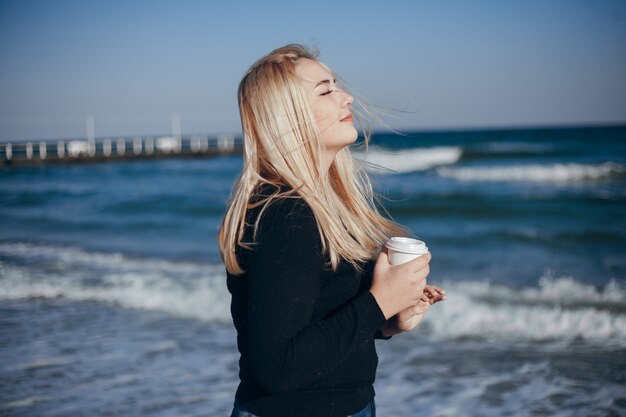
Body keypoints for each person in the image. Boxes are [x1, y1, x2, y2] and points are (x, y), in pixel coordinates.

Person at [218, 44, 445, 417]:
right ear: (287, 118)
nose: (347, 97)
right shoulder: (285, 214)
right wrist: (379, 302)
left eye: (336, 84)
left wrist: (387, 321)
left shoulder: (319, 205)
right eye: (325, 90)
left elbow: (316, 324)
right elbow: (276, 366)